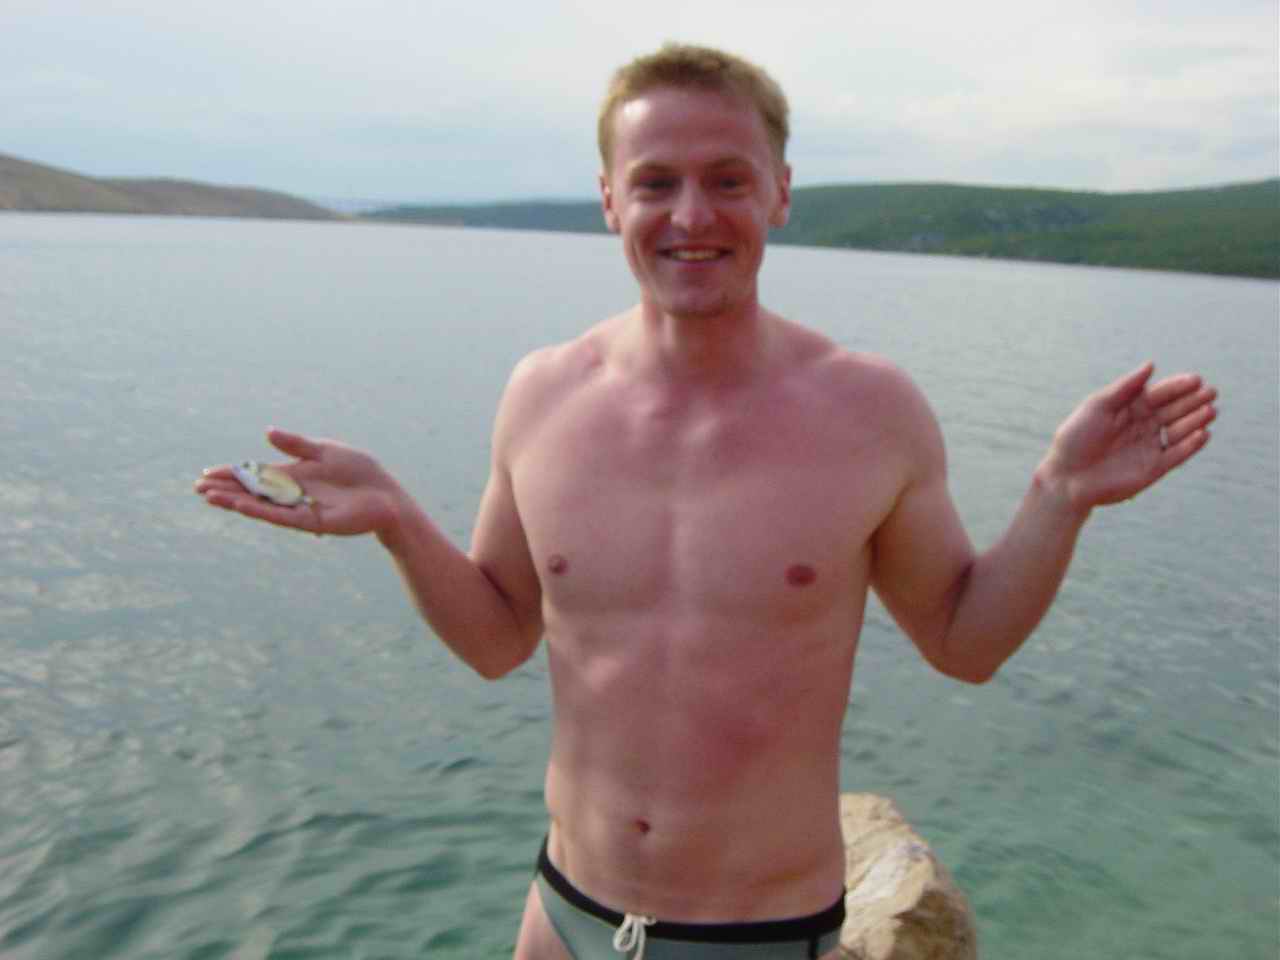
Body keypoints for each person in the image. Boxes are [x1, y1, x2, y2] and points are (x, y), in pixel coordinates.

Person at [195, 43, 1217, 960]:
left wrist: (1058, 495)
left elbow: (964, 642)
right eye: (655, 182)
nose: (690, 216)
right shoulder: (540, 395)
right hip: (563, 914)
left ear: (779, 193)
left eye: (728, 179)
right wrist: (397, 523)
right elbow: (498, 640)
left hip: (758, 936)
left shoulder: (868, 411)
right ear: (609, 199)